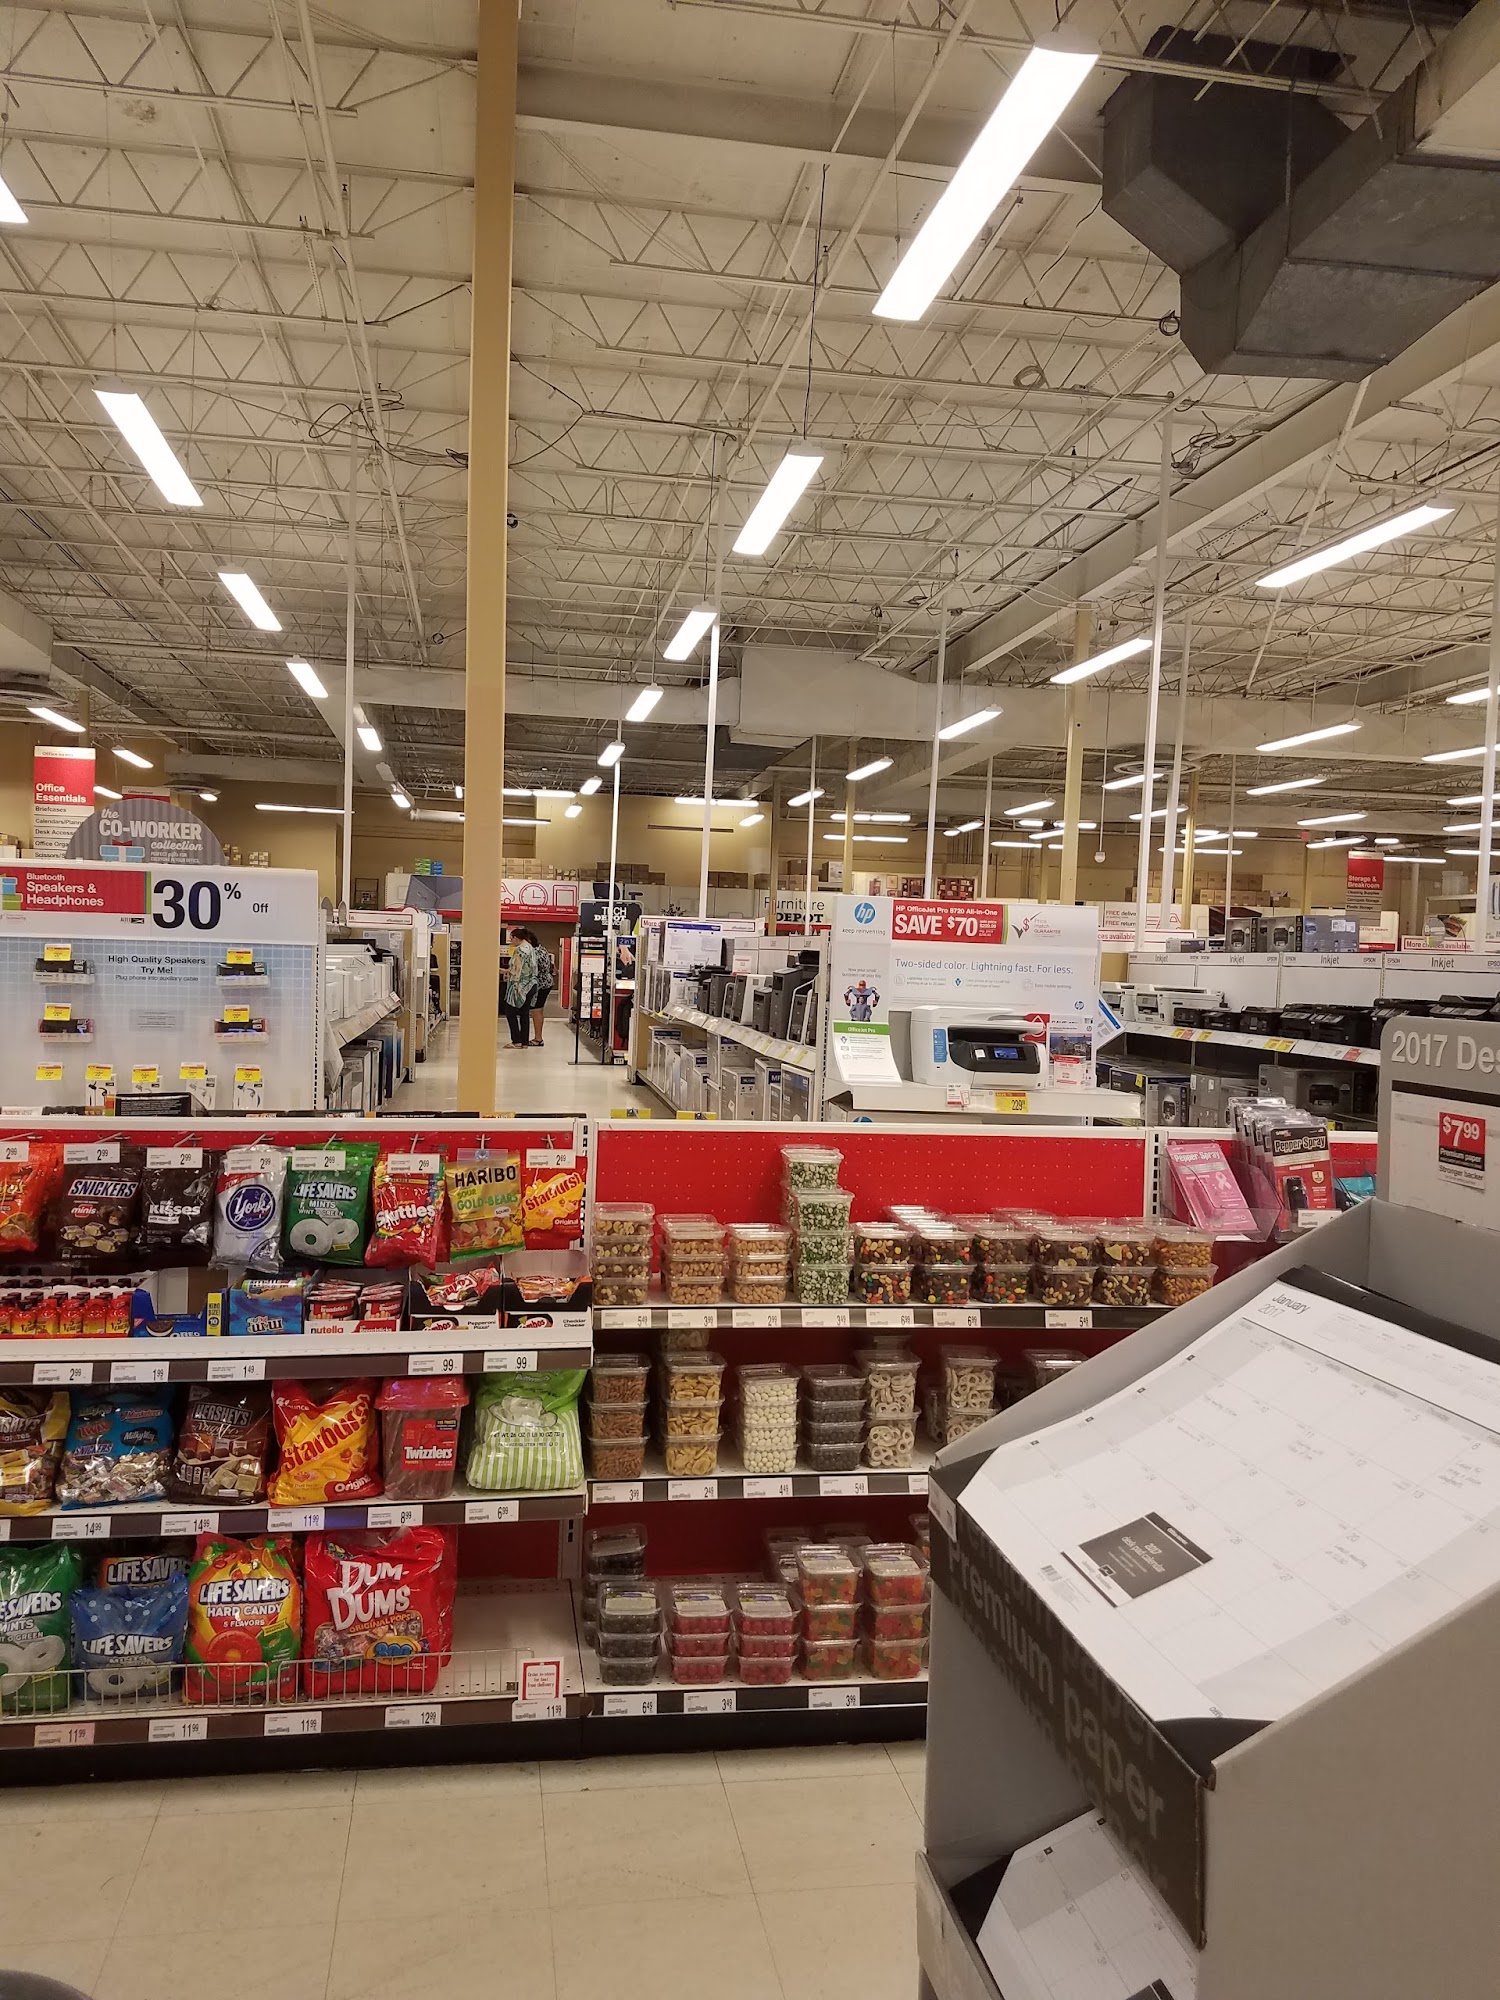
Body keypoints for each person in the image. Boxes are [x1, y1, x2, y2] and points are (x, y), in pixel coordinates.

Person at [503, 927, 539, 1048]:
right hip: (531, 984)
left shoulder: (519, 950)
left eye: (511, 939)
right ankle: (524, 1041)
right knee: (524, 1013)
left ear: (516, 938)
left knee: (510, 1011)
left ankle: (516, 1040)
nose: (511, 941)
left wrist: (504, 971)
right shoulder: (531, 948)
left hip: (520, 986)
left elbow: (516, 970)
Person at [529, 934, 557, 1047]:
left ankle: (538, 1038)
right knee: (538, 1010)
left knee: (536, 1010)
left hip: (540, 984)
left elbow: (533, 970)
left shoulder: (533, 953)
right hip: (546, 982)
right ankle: (538, 1037)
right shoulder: (542, 949)